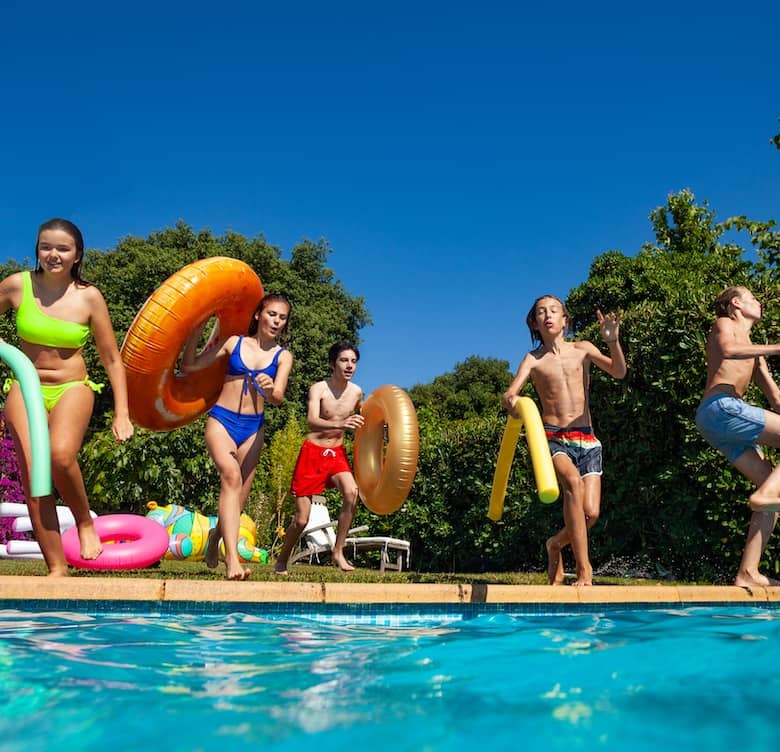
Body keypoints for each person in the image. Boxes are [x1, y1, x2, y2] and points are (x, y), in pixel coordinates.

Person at [0, 218, 134, 576]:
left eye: (63, 248)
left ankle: (84, 523)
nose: (53, 254)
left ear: (77, 255)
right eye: (46, 247)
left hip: (73, 387)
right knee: (34, 474)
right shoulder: (17, 285)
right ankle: (56, 568)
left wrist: (122, 412)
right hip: (25, 386)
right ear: (37, 250)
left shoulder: (88, 297)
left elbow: (111, 358)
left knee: (59, 457)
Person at [501, 294, 626, 586]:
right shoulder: (533, 359)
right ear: (534, 322)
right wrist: (512, 401)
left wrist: (612, 341)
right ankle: (584, 570)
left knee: (590, 513)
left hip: (587, 438)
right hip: (554, 438)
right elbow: (511, 392)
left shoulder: (582, 349)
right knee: (571, 484)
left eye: (554, 310)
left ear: (564, 320)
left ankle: (555, 544)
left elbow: (619, 372)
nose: (548, 315)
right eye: (541, 312)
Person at [182, 292, 292, 580]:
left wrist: (269, 390)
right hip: (222, 420)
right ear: (258, 315)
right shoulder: (234, 343)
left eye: (282, 317)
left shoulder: (283, 356)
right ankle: (231, 560)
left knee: (238, 501)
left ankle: (215, 538)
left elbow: (279, 397)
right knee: (230, 477)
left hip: (253, 428)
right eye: (272, 314)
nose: (276, 321)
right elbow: (189, 365)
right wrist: (196, 331)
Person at [695, 285, 780, 588]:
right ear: (735, 304)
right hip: (720, 408)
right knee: (770, 493)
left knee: (772, 490)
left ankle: (748, 572)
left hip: (725, 420)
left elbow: (776, 400)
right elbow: (729, 350)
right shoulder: (725, 325)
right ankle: (767, 494)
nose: (759, 303)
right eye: (752, 298)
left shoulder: (755, 354)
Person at [274, 342, 364, 574]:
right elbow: (312, 420)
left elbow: (367, 418)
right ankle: (282, 559)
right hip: (312, 454)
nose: (349, 365)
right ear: (333, 363)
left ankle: (338, 550)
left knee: (352, 493)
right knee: (301, 519)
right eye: (344, 360)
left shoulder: (356, 393)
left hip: (336, 454)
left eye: (353, 361)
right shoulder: (319, 389)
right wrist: (340, 423)